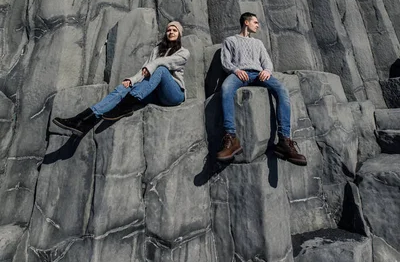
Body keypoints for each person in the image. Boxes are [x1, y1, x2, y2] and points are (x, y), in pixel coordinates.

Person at [53, 21, 189, 137]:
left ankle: (124, 107)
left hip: (173, 95)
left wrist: (153, 64)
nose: (171, 32)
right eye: (169, 30)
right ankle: (83, 120)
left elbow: (162, 63)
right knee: (124, 87)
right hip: (155, 95)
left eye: (174, 30)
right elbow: (145, 70)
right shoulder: (157, 50)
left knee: (161, 69)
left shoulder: (183, 53)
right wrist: (132, 80)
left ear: (179, 34)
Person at [216, 12, 307, 166]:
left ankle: (284, 140)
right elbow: (226, 62)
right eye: (255, 22)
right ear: (246, 22)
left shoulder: (258, 43)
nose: (258, 25)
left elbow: (267, 62)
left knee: (282, 90)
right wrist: (236, 70)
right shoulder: (230, 40)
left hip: (259, 75)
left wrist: (266, 71)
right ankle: (231, 138)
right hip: (239, 74)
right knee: (225, 89)